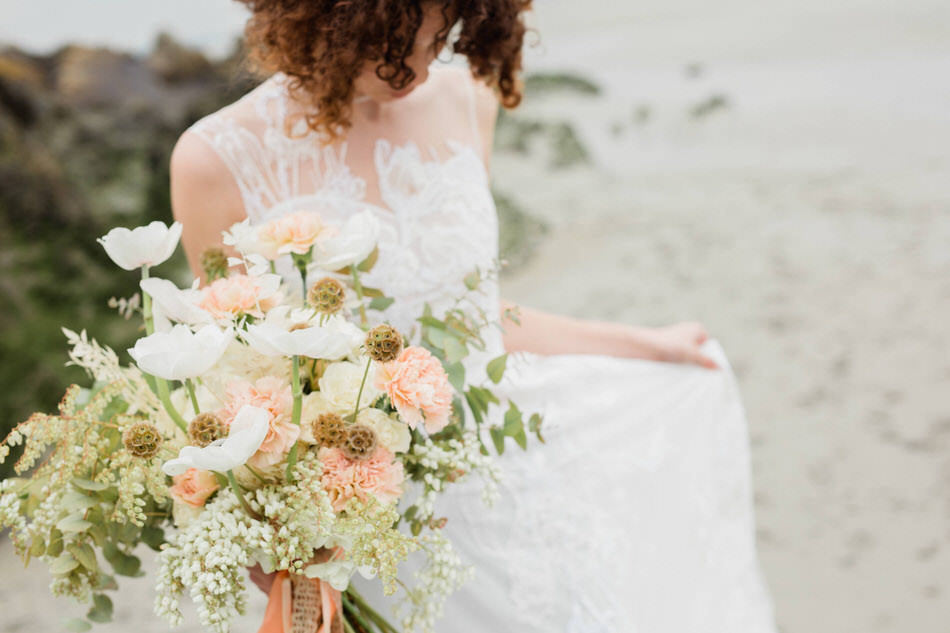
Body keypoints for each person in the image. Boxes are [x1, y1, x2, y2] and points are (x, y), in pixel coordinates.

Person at [170, 1, 778, 631]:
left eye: (437, 42)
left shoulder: (469, 100)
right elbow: (234, 373)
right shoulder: (214, 158)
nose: (419, 68)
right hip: (374, 508)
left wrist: (646, 344)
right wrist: (266, 523)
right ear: (328, 17)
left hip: (509, 459)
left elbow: (474, 314)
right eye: (397, 40)